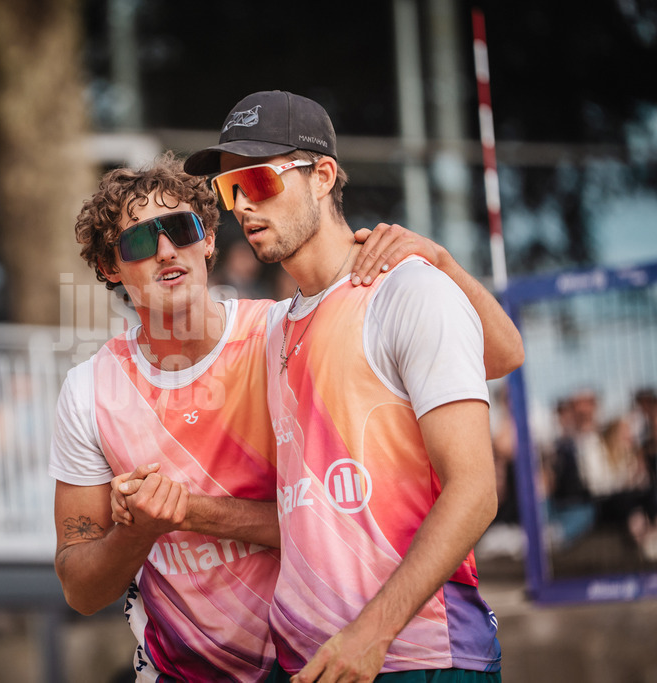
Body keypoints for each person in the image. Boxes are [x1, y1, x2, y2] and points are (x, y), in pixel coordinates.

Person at [51, 149, 523, 680]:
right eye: (138, 240)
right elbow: (81, 589)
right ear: (108, 267)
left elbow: (503, 355)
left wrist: (440, 262)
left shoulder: (281, 334)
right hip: (181, 671)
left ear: (207, 241)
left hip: (307, 664)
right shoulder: (89, 391)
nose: (165, 250)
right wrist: (138, 532)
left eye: (180, 229)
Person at [181, 90, 524, 682]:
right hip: (317, 663)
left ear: (323, 176)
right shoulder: (274, 328)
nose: (242, 206)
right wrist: (177, 514)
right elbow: (302, 513)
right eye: (228, 189)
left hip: (414, 658)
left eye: (258, 181)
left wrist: (370, 636)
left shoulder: (407, 287)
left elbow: (475, 492)